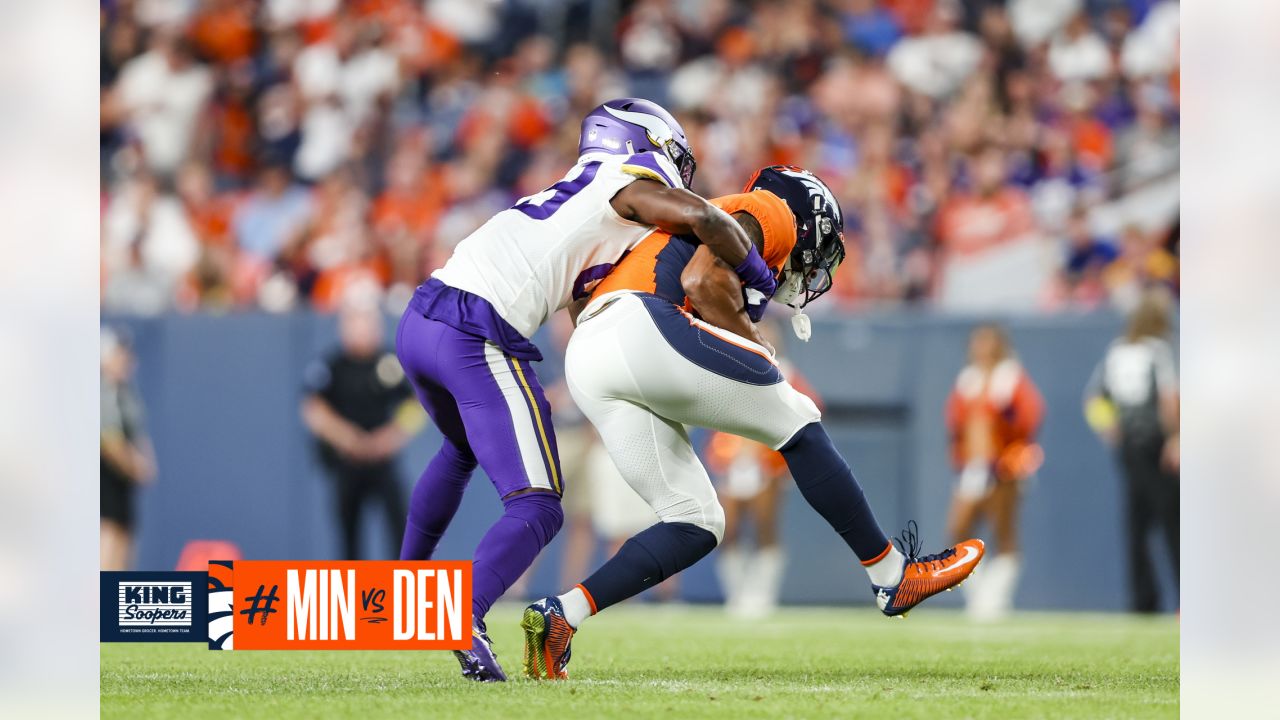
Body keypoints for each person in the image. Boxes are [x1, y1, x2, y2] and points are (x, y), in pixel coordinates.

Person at [522, 166, 985, 680]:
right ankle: (891, 574)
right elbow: (700, 280)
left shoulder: (699, 227)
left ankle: (563, 614)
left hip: (591, 355)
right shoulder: (771, 211)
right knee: (796, 415)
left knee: (696, 520)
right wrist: (751, 338)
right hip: (640, 328)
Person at [394, 98, 779, 682]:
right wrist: (757, 272)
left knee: (459, 451)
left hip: (422, 316)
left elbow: (584, 316)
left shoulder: (580, 196)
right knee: (539, 503)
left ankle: (407, 587)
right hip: (477, 329)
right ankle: (460, 614)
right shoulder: (622, 182)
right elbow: (706, 218)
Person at [708, 328, 822, 619]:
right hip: (734, 458)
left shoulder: (787, 374)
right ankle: (737, 593)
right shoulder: (730, 366)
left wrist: (785, 456)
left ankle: (763, 594)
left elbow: (810, 408)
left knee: (765, 528)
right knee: (727, 530)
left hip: (765, 462)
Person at [301, 297, 421, 561]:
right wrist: (346, 438)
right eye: (355, 321)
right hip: (347, 463)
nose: (362, 328)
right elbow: (313, 409)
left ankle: (401, 592)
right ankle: (353, 596)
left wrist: (390, 437)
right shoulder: (333, 365)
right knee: (349, 534)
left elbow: (418, 404)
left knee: (400, 530)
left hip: (384, 462)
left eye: (368, 321)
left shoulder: (392, 362)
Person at [1084, 290, 1179, 613]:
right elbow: (1169, 400)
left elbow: (1094, 398)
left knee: (1137, 524)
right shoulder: (1159, 350)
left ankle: (1143, 602)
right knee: (1173, 521)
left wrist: (1110, 428)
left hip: (1129, 448)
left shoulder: (1117, 351)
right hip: (1156, 444)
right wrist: (1176, 437)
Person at [944, 324, 1045, 621]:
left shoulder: (1011, 378)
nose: (981, 349)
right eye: (977, 343)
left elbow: (1030, 418)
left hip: (1004, 467)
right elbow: (956, 424)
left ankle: (996, 598)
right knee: (958, 529)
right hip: (973, 468)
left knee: (1004, 531)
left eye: (987, 343)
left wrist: (1009, 456)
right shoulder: (968, 380)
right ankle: (979, 595)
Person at [101, 328, 156, 571]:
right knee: (109, 540)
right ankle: (97, 605)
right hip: (105, 480)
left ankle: (111, 604)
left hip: (122, 484)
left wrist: (145, 463)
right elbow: (109, 442)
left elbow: (136, 434)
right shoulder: (102, 392)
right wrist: (134, 466)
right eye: (119, 355)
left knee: (124, 542)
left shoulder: (126, 394)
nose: (126, 360)